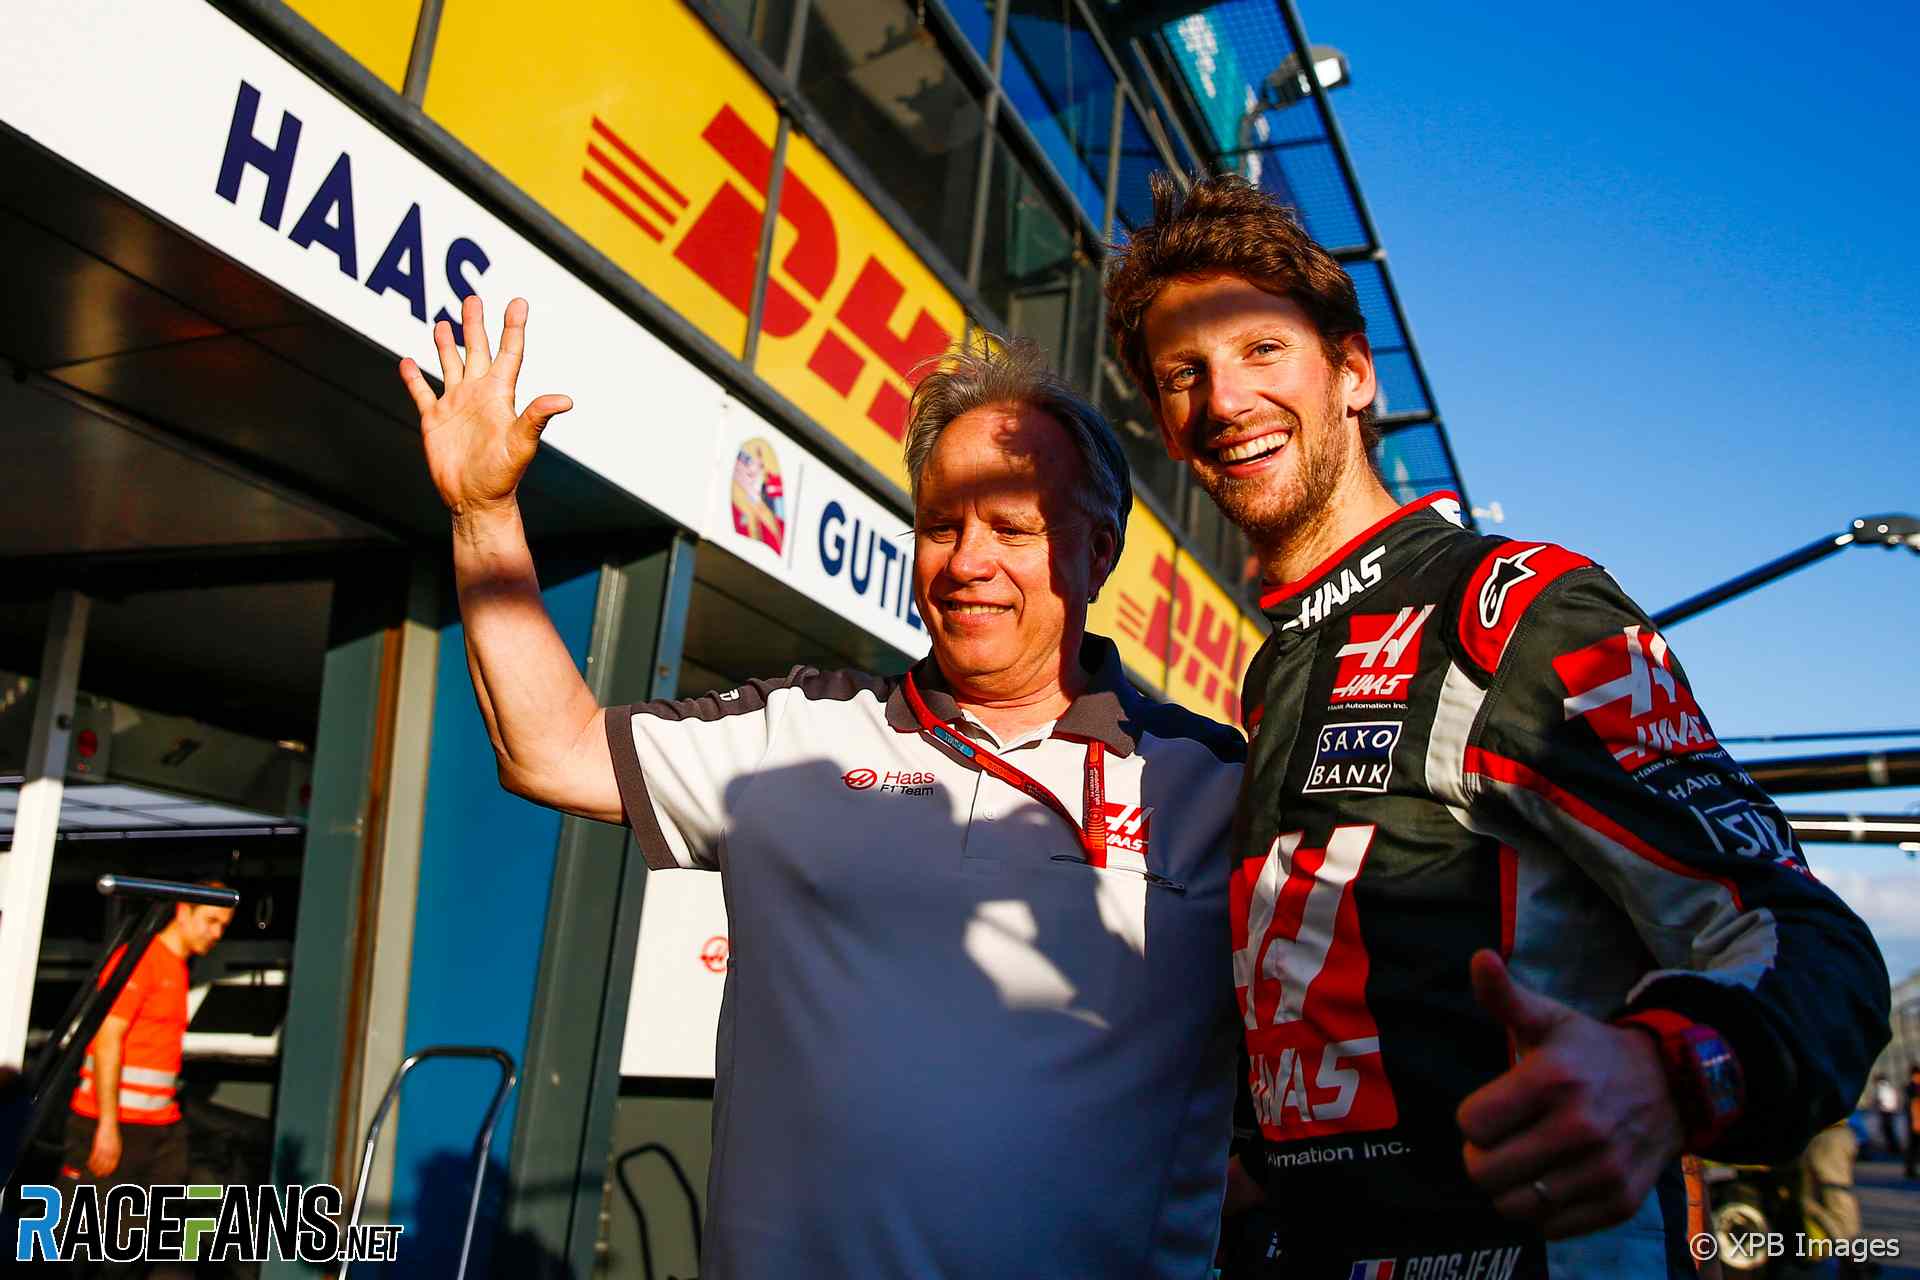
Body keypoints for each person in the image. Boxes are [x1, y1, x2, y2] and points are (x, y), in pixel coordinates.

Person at [1105, 173, 1890, 1277]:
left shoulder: (1515, 606)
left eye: (1261, 350)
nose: (1224, 399)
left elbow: (1808, 941)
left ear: (1353, 373)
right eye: (1184, 375)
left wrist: (1668, 1071)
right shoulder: (1277, 667)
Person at [398, 303, 1246, 1277]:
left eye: (1013, 526)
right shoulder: (794, 733)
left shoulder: (1213, 787)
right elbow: (552, 748)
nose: (967, 562)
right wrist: (482, 513)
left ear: (1097, 552)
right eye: (941, 525)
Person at [57, 889, 234, 1274]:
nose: (217, 933)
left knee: (149, 1240)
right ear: (183, 913)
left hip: (157, 1129)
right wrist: (107, 1124)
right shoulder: (143, 961)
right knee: (96, 1244)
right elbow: (107, 1038)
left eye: (223, 925)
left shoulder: (176, 968)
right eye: (211, 921)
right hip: (113, 1126)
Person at [1872, 1072, 1900, 1155]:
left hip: (1885, 1111)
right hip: (1891, 1110)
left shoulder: (1881, 1087)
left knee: (1887, 1130)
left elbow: (1879, 1099)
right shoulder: (1889, 1086)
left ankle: (1892, 1149)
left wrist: (1875, 1104)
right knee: (1890, 1130)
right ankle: (1893, 1148)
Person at [1903, 1065, 1920, 1177]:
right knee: (1914, 1146)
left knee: (1913, 1145)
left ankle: (1910, 1169)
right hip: (1916, 1120)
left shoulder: (1910, 1086)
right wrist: (1916, 1120)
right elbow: (1915, 1104)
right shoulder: (1914, 1087)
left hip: (1913, 1120)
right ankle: (1910, 1170)